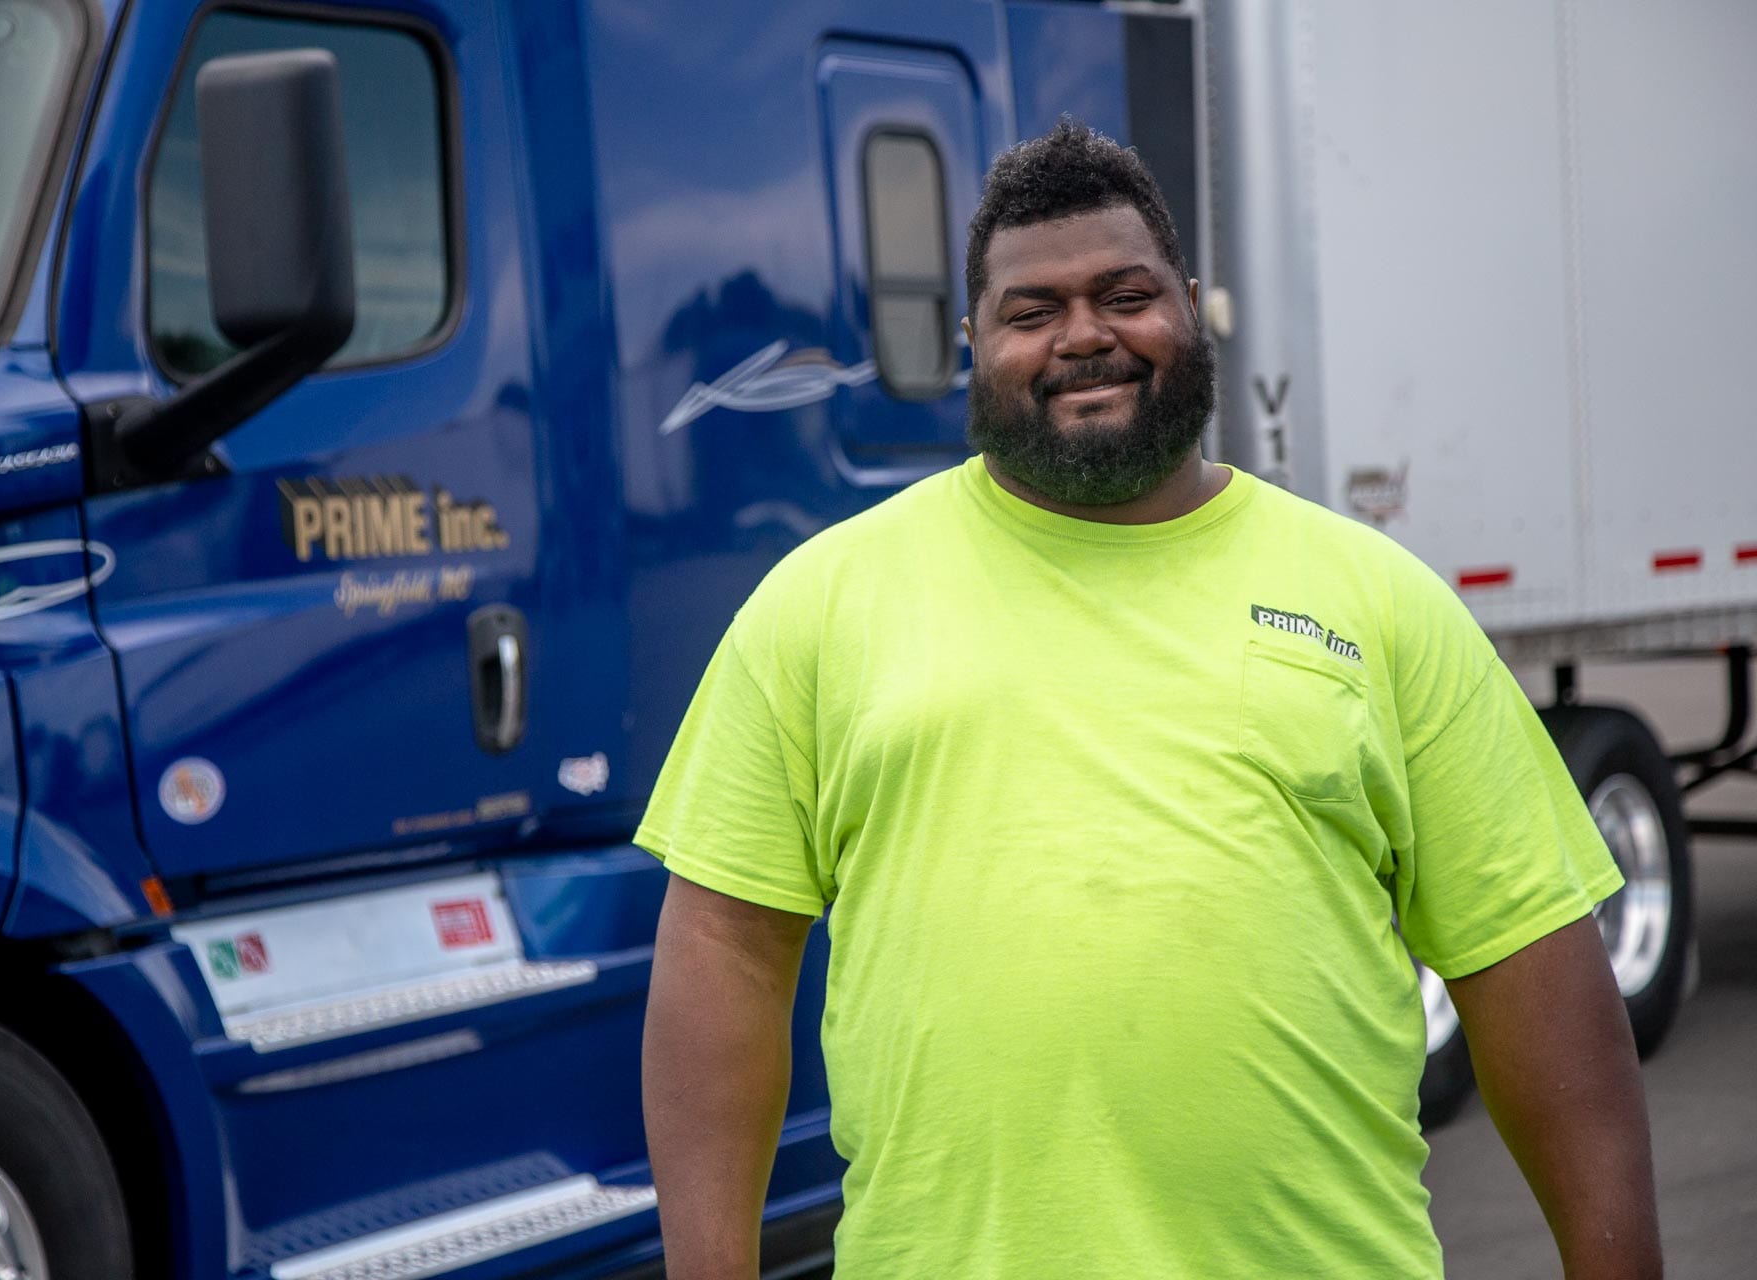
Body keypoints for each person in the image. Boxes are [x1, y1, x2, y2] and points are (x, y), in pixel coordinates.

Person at [637, 121, 1659, 1279]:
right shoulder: (817, 607)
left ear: (1191, 306)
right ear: (975, 341)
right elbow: (727, 944)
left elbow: (1528, 957)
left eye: (1127, 294)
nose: (1085, 335)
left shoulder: (1378, 601)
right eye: (1034, 311)